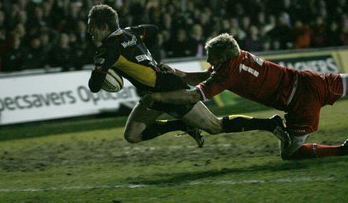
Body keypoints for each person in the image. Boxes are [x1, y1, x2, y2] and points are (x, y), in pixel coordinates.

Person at [87, 4, 287, 148]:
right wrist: (150, 60)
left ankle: (271, 124)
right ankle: (184, 124)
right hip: (156, 88)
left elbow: (95, 86)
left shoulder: (107, 51)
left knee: (215, 127)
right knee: (132, 135)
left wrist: (103, 69)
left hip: (167, 89)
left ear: (104, 26)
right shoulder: (131, 33)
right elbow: (154, 31)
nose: (90, 31)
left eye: (92, 26)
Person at [143, 33, 348, 160]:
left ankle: (342, 150)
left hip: (301, 104)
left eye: (211, 56)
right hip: (310, 80)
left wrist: (159, 98)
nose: (207, 59)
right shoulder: (240, 55)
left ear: (222, 57)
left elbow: (193, 96)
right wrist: (180, 74)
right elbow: (211, 75)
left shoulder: (227, 73)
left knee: (290, 154)